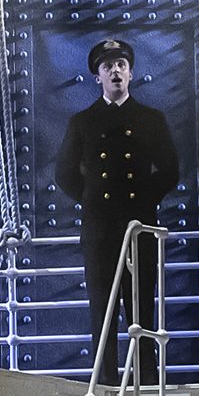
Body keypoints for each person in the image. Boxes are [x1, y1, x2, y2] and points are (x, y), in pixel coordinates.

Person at [54, 39, 181, 377]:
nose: (115, 71)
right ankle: (107, 386)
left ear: (131, 73)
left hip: (139, 228)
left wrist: (141, 199)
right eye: (108, 66)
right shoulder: (82, 122)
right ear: (97, 76)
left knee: (141, 310)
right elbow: (63, 173)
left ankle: (149, 386)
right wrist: (95, 199)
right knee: (103, 312)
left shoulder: (150, 119)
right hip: (100, 232)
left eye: (121, 65)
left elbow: (170, 169)